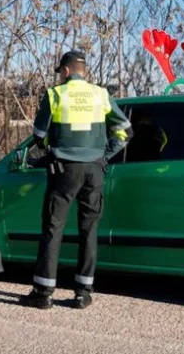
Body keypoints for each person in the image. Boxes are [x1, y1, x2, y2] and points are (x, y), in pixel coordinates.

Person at [19, 51, 133, 310]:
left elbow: (39, 135)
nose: (60, 76)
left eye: (60, 72)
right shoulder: (101, 95)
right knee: (89, 230)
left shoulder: (55, 94)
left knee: (53, 228)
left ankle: (43, 292)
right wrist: (104, 155)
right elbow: (126, 131)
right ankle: (83, 293)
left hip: (64, 170)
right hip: (94, 169)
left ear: (67, 71)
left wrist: (50, 147)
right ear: (84, 71)